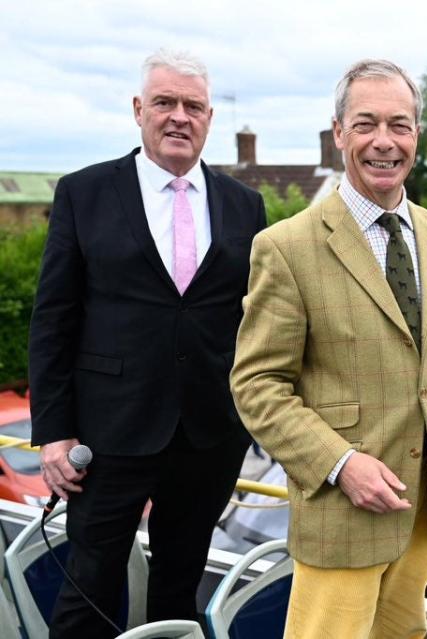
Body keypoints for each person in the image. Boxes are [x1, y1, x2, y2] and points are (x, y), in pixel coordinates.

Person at [229, 59, 427, 638]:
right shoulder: (286, 247)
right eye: (366, 124)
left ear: (417, 136)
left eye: (399, 125)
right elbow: (256, 385)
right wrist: (340, 464)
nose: (384, 142)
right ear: (338, 134)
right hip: (343, 517)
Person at [28, 50, 266, 637]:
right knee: (90, 588)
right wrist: (54, 432)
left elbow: (258, 321)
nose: (178, 117)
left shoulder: (245, 205)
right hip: (109, 436)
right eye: (165, 103)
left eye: (192, 106)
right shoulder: (84, 193)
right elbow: (53, 319)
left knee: (178, 590)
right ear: (139, 110)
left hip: (208, 437)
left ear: (209, 117)